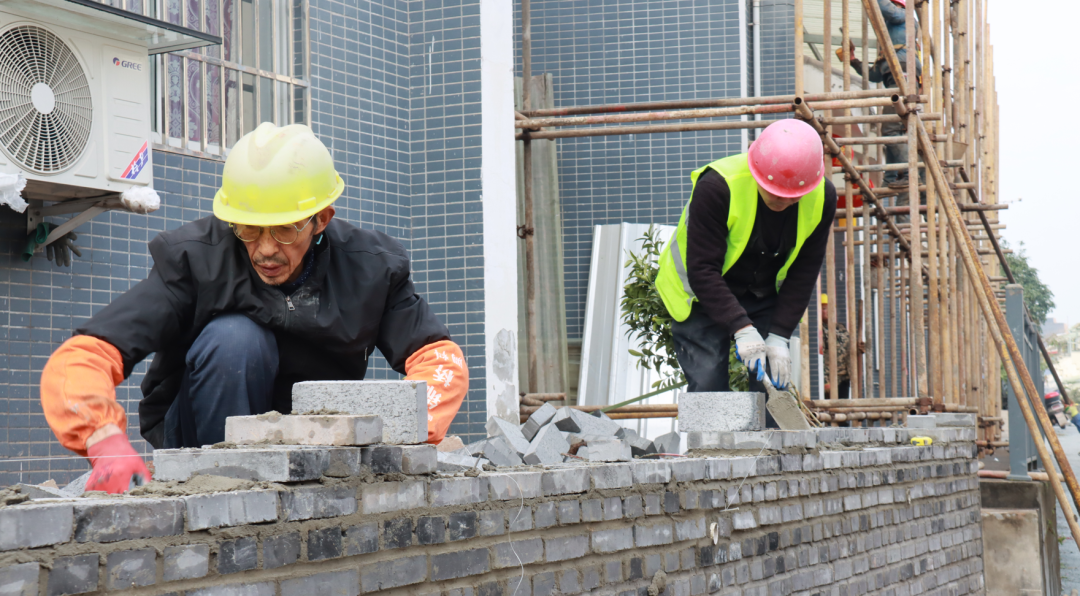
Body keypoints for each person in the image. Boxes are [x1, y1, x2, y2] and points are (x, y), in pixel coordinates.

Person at [39, 123, 469, 494]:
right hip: (200, 434)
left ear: (321, 219)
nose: (265, 250)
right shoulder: (195, 260)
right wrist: (101, 436)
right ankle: (223, 487)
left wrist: (406, 433)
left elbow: (439, 359)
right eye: (248, 229)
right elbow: (88, 353)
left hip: (316, 443)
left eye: (283, 231)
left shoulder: (371, 268)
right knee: (235, 338)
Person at [655, 119, 838, 414]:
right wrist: (741, 328)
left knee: (773, 384)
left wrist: (779, 335)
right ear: (757, 173)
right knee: (709, 385)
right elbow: (702, 269)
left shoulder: (822, 198)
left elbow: (804, 272)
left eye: (792, 196)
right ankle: (710, 441)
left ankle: (773, 443)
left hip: (764, 293)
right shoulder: (718, 186)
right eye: (774, 191)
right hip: (702, 293)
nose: (782, 200)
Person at [819, 293, 864, 400]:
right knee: (830, 408)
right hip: (831, 378)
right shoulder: (820, 330)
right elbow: (818, 357)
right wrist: (825, 381)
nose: (826, 311)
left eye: (829, 308)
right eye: (823, 308)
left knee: (843, 406)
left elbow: (849, 348)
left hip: (845, 377)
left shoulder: (841, 328)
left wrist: (859, 348)